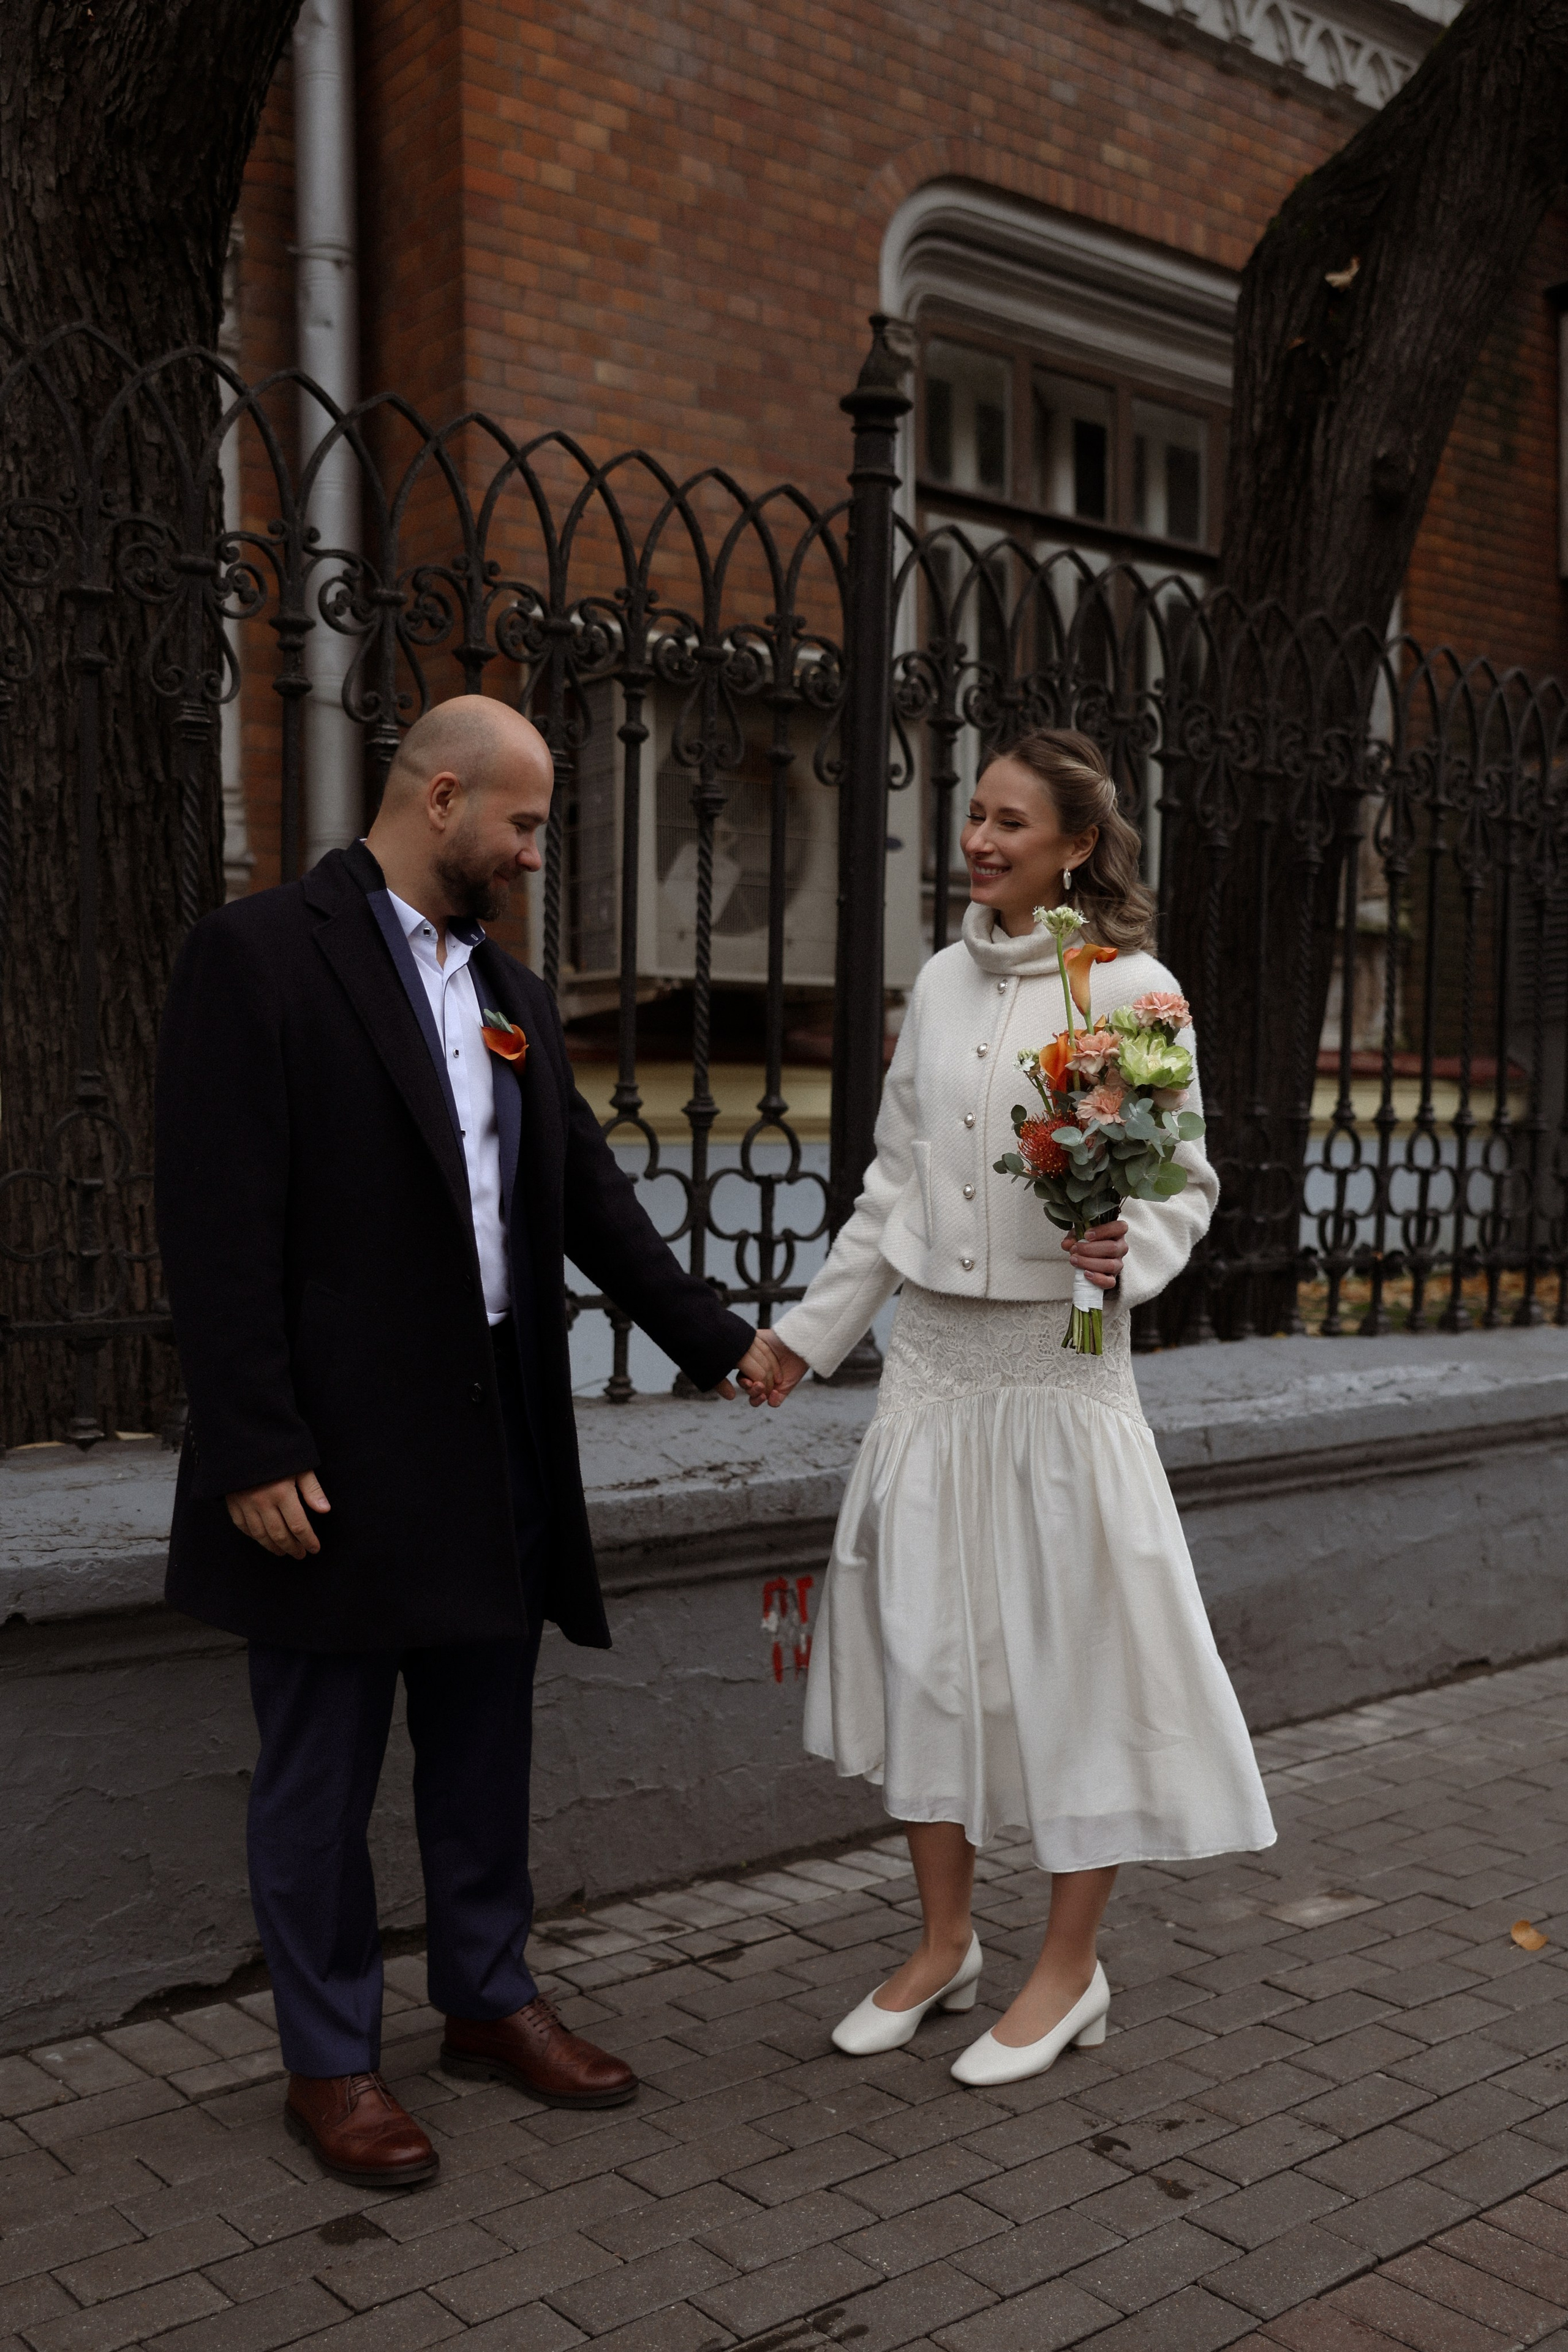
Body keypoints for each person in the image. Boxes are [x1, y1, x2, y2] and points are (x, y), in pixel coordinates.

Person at [156, 696, 781, 2188]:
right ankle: (329, 2061)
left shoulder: (508, 983)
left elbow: (578, 1189)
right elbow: (213, 1214)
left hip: (491, 1442)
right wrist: (250, 1441)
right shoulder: (258, 957)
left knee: (483, 1745)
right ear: (440, 799)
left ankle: (490, 1999)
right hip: (324, 1460)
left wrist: (715, 1341)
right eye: (521, 823)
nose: (532, 851)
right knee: (315, 1774)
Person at [749, 729, 1275, 2087]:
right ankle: (941, 1948)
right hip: (931, 1368)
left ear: (1075, 847)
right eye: (972, 817)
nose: (977, 841)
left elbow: (1180, 1182)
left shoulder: (1129, 992)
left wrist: (1130, 1250)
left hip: (1058, 1366)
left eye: (1008, 823)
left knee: (1068, 1665)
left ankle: (1068, 1966)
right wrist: (805, 1340)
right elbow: (890, 1186)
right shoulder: (933, 984)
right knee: (929, 1658)